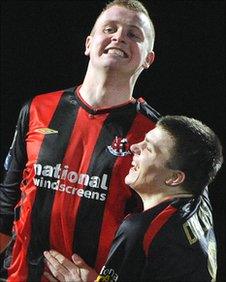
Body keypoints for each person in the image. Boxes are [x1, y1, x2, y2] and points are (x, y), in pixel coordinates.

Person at [0, 0, 160, 281]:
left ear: (148, 59)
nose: (119, 36)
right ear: (88, 44)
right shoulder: (37, 108)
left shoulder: (157, 135)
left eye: (134, 34)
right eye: (109, 28)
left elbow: (159, 235)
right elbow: (6, 200)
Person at [43, 115, 223, 282]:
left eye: (149, 148)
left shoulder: (141, 230)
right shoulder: (198, 194)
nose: (134, 147)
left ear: (175, 178)